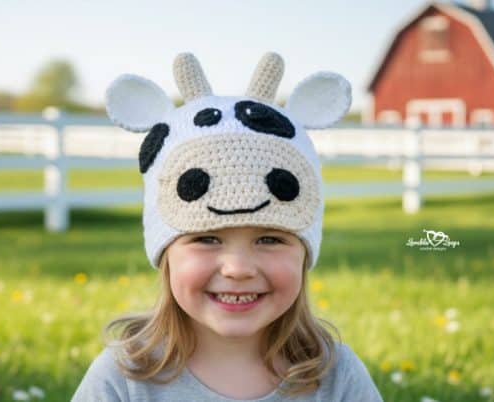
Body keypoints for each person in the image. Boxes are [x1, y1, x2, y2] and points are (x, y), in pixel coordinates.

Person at [72, 52, 383, 402]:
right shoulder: (124, 377)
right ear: (165, 253)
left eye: (269, 238)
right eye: (207, 238)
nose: (237, 268)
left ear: (304, 252)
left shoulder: (336, 377)